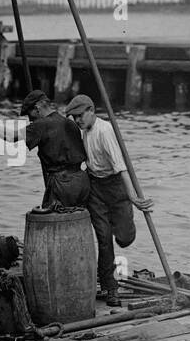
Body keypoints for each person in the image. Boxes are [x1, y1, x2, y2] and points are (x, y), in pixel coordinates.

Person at [64, 94, 152, 308]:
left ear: (91, 110)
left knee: (124, 238)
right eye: (74, 117)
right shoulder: (83, 131)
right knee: (104, 239)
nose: (77, 121)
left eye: (80, 115)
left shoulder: (105, 131)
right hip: (95, 187)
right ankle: (110, 288)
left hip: (115, 187)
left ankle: (118, 225)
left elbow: (121, 168)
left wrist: (132, 198)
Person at [0, 89, 90, 209]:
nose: (30, 120)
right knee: (78, 220)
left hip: (62, 184)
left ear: (37, 108)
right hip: (82, 181)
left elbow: (10, 136)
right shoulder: (70, 123)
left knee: (52, 222)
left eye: (30, 114)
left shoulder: (41, 125)